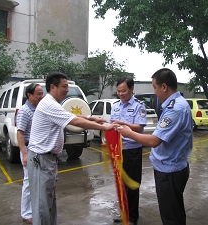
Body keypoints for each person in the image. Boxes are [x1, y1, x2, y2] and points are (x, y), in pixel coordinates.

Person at [27, 72, 118, 225]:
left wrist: (92, 118)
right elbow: (74, 120)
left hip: (47, 160)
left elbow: (68, 115)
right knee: (42, 206)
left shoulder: (52, 104)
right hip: (41, 160)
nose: (67, 90)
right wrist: (105, 127)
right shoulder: (49, 103)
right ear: (52, 87)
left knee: (48, 202)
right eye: (64, 86)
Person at [117, 68, 193, 225]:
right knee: (174, 212)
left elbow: (154, 141)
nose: (155, 91)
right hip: (170, 168)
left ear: (164, 87)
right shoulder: (177, 104)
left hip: (170, 170)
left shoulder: (175, 109)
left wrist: (128, 133)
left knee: (171, 216)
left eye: (154, 87)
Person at [110, 77, 147, 225]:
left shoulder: (139, 106)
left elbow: (139, 127)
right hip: (118, 150)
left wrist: (123, 123)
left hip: (132, 150)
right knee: (120, 184)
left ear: (131, 89)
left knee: (132, 184)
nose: (121, 94)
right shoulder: (115, 106)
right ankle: (123, 213)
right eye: (118, 91)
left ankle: (132, 217)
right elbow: (111, 125)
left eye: (124, 90)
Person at [17, 83, 44, 224]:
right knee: (28, 182)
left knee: (36, 182)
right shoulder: (24, 111)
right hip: (28, 149)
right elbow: (20, 133)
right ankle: (26, 213)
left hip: (36, 150)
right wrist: (24, 154)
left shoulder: (37, 109)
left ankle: (33, 210)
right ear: (29, 95)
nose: (41, 96)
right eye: (38, 94)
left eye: (42, 93)